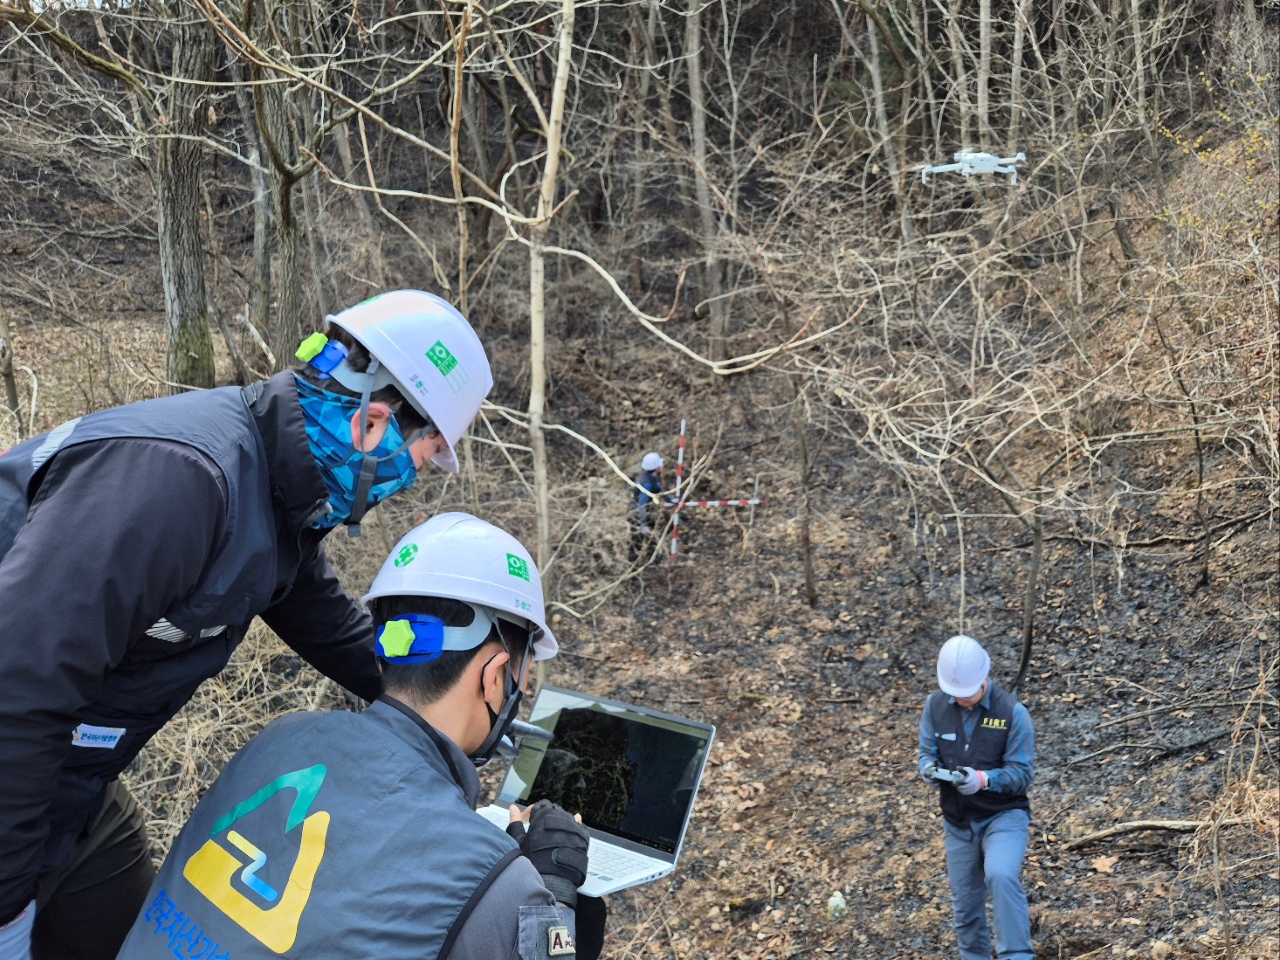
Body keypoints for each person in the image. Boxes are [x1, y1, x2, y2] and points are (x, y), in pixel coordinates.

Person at [0, 290, 494, 960]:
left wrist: (451, 702)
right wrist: (7, 914)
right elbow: (16, 694)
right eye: (426, 454)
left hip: (74, 782)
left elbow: (322, 616)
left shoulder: (275, 490)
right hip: (18, 764)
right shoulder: (182, 480)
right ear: (373, 424)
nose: (415, 477)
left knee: (144, 937)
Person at [116, 512, 605, 960]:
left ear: (387, 651)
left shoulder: (281, 737)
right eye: (522, 672)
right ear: (495, 677)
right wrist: (553, 885)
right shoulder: (489, 881)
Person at [918, 635, 1036, 960]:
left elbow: (1022, 773)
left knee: (1001, 874)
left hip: (1003, 816)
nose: (960, 698)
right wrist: (928, 769)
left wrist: (984, 779)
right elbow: (926, 752)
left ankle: (1017, 955)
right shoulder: (934, 707)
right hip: (958, 822)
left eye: (966, 692)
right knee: (966, 905)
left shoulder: (1013, 713)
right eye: (954, 693)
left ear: (984, 677)